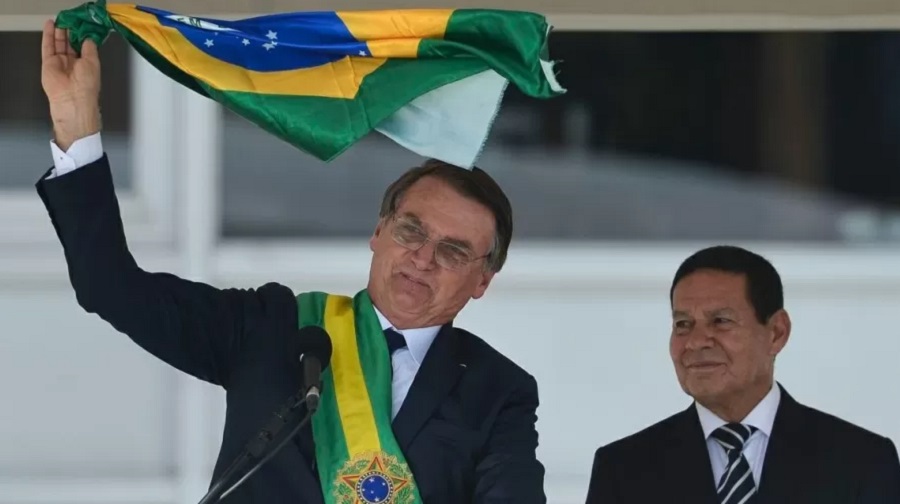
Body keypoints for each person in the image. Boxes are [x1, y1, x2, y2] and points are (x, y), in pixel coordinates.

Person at [38, 20, 545, 504]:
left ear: (483, 279)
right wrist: (74, 119)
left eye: (453, 251)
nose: (423, 257)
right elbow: (108, 286)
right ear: (379, 231)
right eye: (411, 230)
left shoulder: (498, 391)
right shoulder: (274, 326)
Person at [585, 245, 900, 504]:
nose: (695, 342)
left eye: (720, 321)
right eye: (683, 324)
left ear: (776, 332)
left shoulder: (861, 463)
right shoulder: (623, 470)